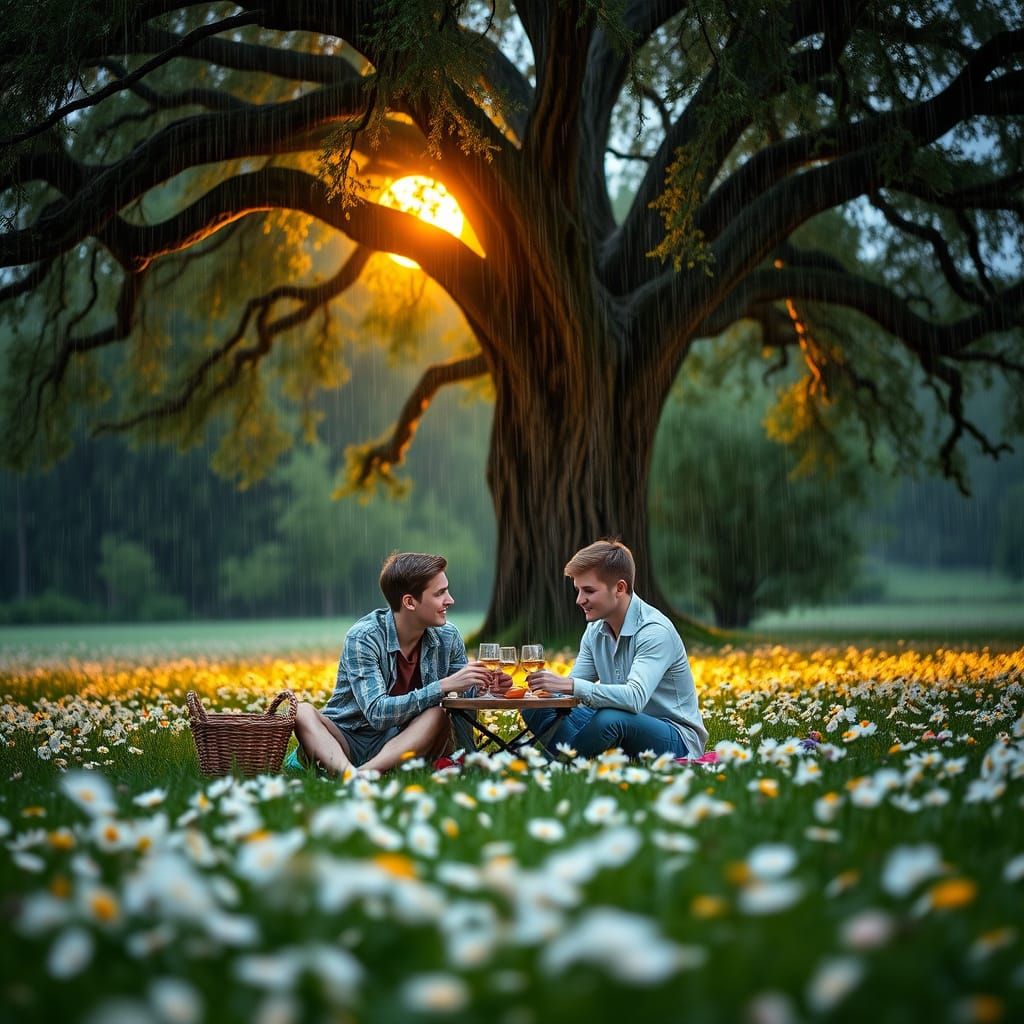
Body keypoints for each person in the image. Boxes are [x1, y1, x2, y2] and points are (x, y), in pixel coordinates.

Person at [288, 552, 494, 776]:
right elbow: (377, 713)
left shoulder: (448, 637)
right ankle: (348, 773)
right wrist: (442, 686)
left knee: (437, 715)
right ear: (409, 602)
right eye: (440, 593)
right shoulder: (364, 637)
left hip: (402, 742)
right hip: (347, 738)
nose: (450, 600)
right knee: (302, 711)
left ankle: (365, 774)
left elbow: (460, 700)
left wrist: (484, 688)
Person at [523, 539, 707, 759]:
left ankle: (556, 763)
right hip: (615, 722)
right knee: (536, 706)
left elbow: (634, 698)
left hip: (674, 737)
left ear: (620, 588)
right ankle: (574, 758)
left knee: (610, 718)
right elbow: (569, 696)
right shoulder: (594, 630)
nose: (579, 600)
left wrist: (570, 685)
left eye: (588, 591)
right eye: (578, 590)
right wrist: (530, 692)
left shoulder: (655, 631)